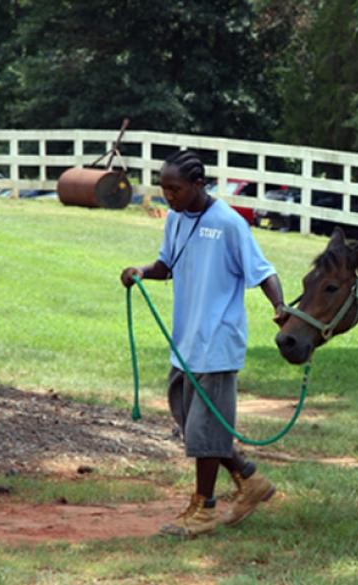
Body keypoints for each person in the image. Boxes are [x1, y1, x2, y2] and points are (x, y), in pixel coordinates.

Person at [120, 150, 287, 537]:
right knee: (192, 422)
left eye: (174, 189)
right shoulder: (176, 220)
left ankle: (204, 507)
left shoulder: (227, 223)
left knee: (204, 427)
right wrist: (141, 272)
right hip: (186, 341)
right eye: (163, 188)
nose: (168, 196)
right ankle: (249, 477)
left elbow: (262, 270)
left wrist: (279, 305)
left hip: (217, 339)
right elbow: (167, 265)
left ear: (198, 185)